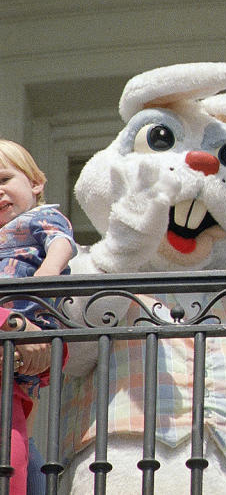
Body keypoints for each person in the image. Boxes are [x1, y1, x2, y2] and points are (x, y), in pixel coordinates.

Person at [0, 140, 77, 495]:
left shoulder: (40, 216)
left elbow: (60, 241)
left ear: (36, 184)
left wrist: (45, 274)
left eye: (4, 178)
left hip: (31, 313)